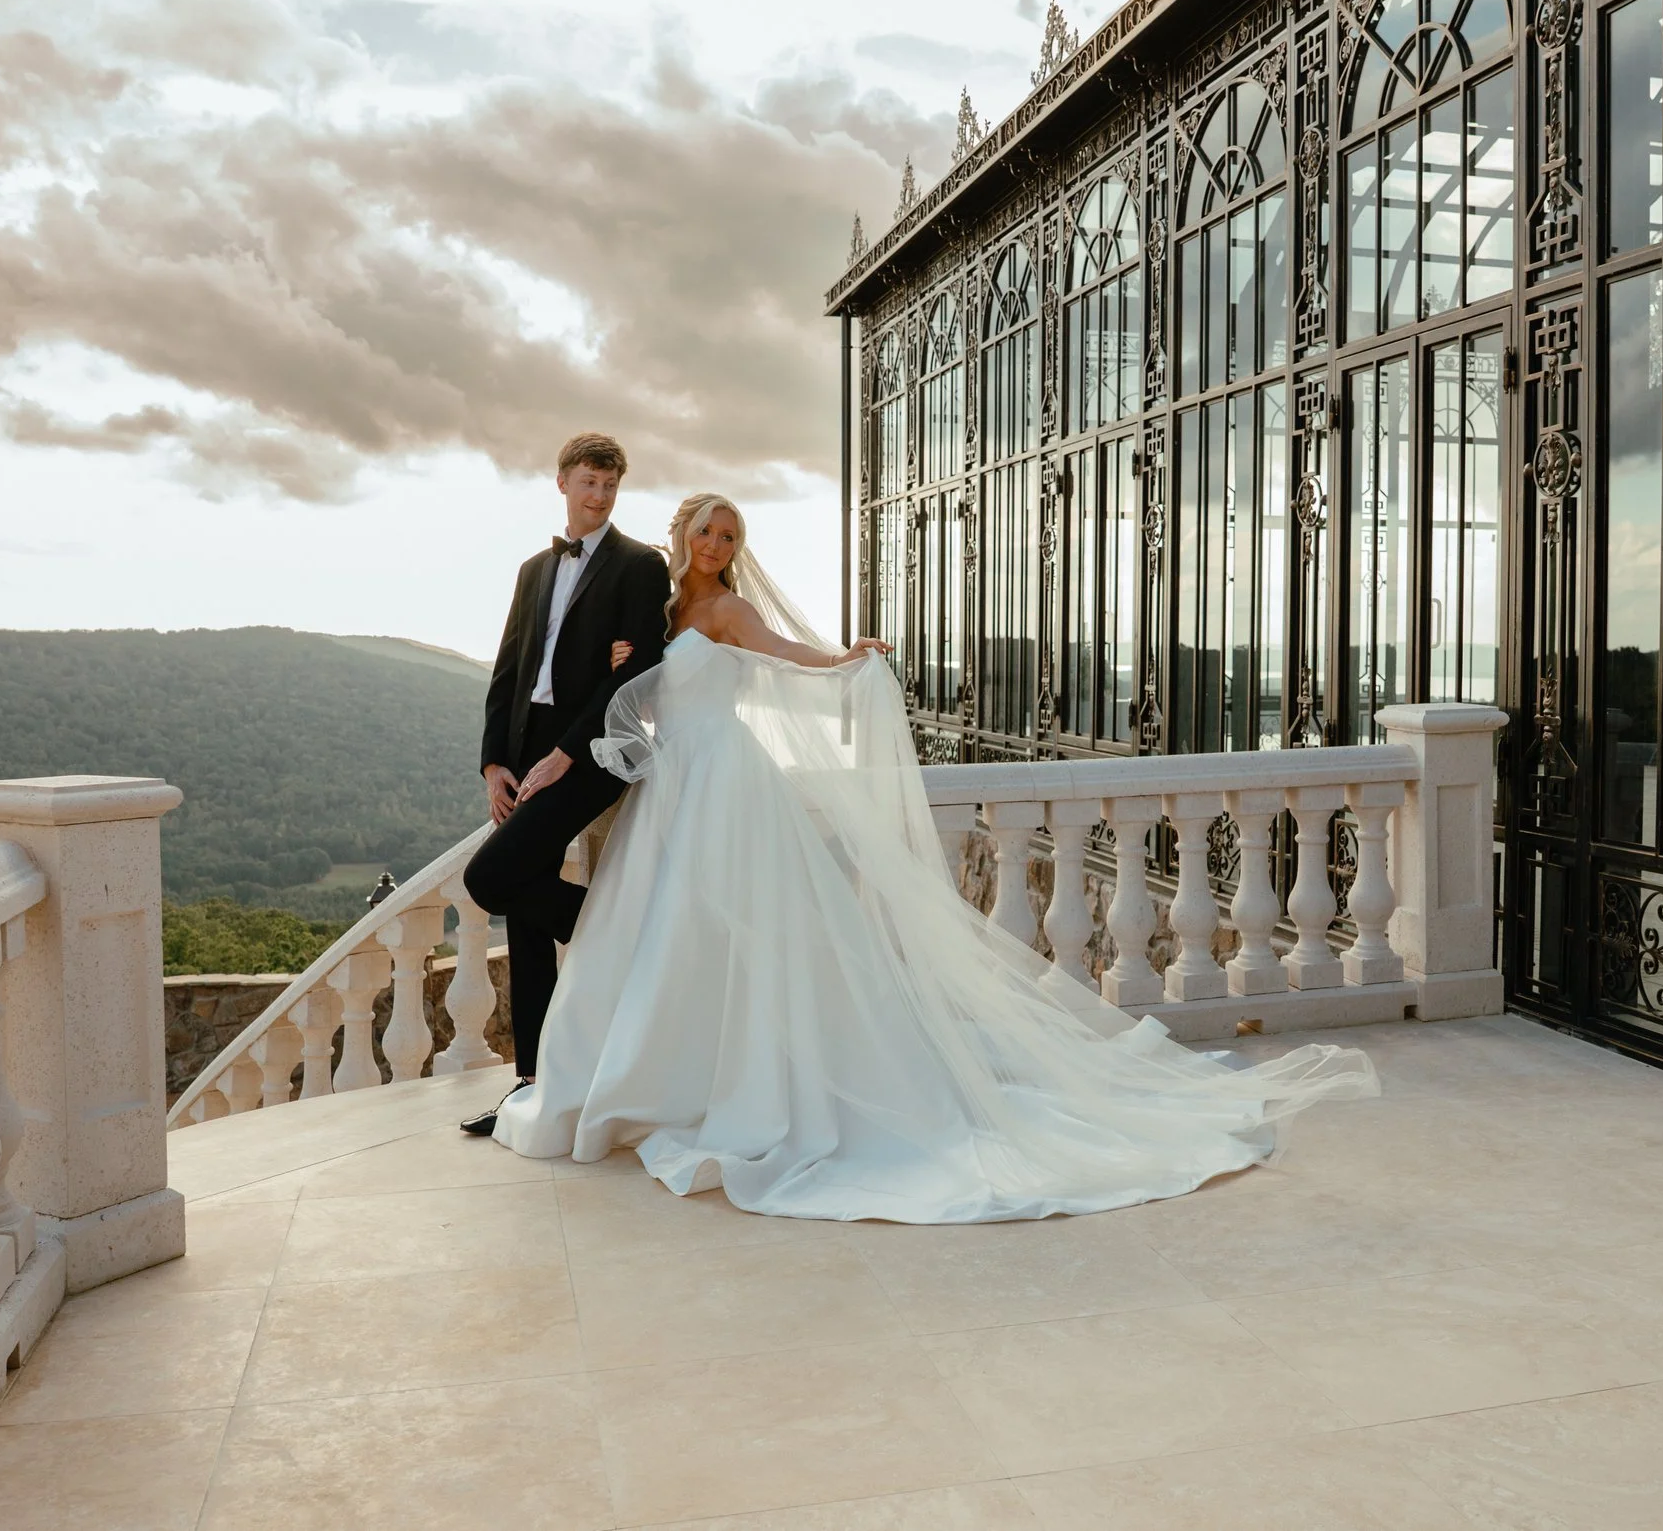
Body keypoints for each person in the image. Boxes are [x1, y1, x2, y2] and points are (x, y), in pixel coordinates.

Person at [472, 492, 1378, 1222]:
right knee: (680, 929)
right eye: (707, 528)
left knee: (722, 925)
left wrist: (849, 660)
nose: (716, 540)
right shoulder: (666, 607)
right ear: (683, 534)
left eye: (731, 532)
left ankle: (741, 1086)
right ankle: (665, 1078)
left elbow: (793, 660)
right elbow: (627, 691)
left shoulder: (732, 608)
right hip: (674, 786)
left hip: (725, 784)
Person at [456, 433, 670, 1136]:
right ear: (562, 483)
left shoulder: (641, 565)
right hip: (524, 746)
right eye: (588, 482)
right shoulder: (532, 569)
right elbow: (507, 668)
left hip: (595, 749)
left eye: (609, 486)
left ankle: (617, 933)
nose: (599, 496)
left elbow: (638, 676)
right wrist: (495, 762)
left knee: (489, 878)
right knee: (520, 911)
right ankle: (532, 1084)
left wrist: (567, 754)